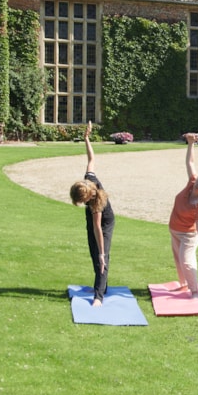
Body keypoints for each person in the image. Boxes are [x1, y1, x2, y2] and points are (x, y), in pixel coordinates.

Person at [69, 121, 114, 307]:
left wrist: (102, 253)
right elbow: (91, 159)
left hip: (105, 222)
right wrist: (86, 138)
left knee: (100, 258)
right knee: (92, 251)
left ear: (87, 197)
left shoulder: (96, 204)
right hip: (93, 221)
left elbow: (98, 229)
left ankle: (98, 297)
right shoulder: (89, 179)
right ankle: (103, 287)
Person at [169, 132, 198, 298]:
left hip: (189, 235)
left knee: (187, 262)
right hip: (174, 229)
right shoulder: (192, 183)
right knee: (178, 260)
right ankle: (183, 285)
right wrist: (190, 143)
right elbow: (190, 162)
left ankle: (195, 292)